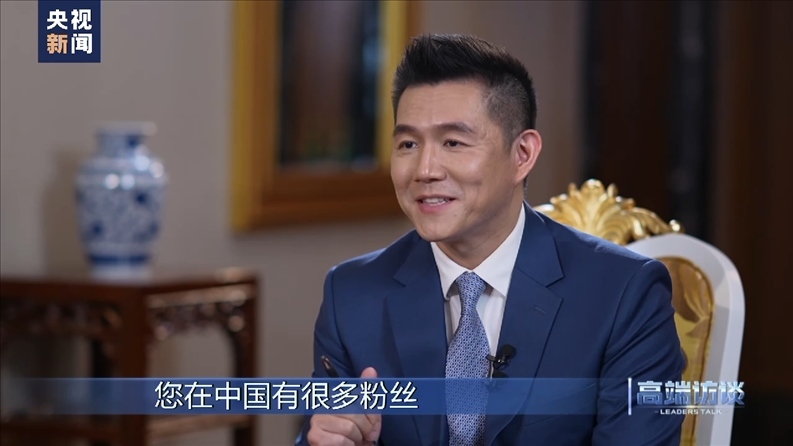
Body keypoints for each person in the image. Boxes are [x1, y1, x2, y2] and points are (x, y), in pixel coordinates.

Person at [296, 33, 685, 446]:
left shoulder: (624, 294)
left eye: (453, 143)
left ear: (522, 154)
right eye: (408, 144)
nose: (425, 170)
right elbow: (325, 431)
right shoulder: (351, 295)